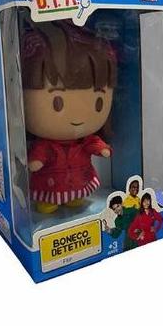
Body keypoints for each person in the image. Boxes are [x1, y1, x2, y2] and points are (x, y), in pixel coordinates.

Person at [20, 21, 116, 214]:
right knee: (48, 198)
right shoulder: (46, 145)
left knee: (77, 196)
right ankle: (50, 201)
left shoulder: (85, 140)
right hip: (50, 184)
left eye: (98, 102)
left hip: (80, 180)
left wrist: (102, 149)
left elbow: (93, 144)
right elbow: (40, 154)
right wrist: (36, 161)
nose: (78, 115)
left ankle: (74, 198)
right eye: (58, 102)